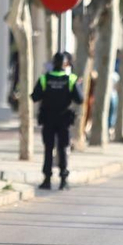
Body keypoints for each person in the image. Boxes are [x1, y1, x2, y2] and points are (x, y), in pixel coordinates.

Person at [31, 51, 83, 190]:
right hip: (64, 119)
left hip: (48, 118)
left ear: (53, 63)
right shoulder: (71, 79)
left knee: (48, 148)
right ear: (65, 64)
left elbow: (35, 97)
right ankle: (63, 180)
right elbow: (80, 99)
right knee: (63, 148)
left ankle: (47, 179)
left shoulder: (44, 78)